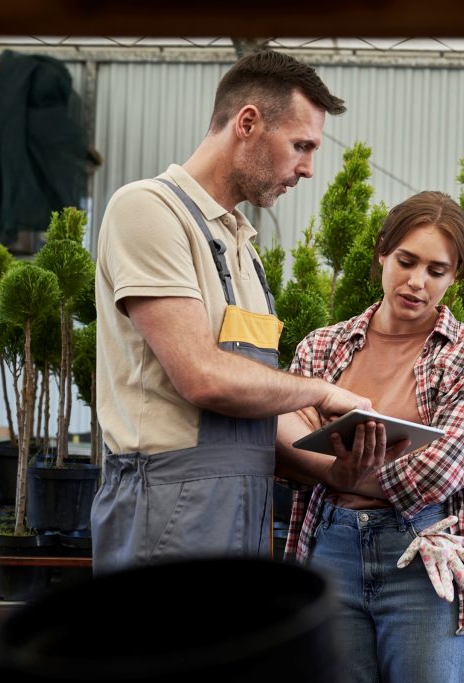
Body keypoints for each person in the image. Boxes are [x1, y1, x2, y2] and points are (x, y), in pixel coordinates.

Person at [91, 50, 376, 575]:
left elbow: (254, 406)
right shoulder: (149, 209)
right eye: (302, 146)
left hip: (246, 502)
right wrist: (319, 391)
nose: (308, 169)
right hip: (168, 505)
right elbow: (203, 377)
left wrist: (332, 471)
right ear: (248, 123)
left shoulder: (241, 246)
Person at [275, 191, 464, 683]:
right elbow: (282, 444)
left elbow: (445, 468)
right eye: (406, 261)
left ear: (455, 276)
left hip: (427, 553)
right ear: (382, 252)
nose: (417, 282)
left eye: (436, 270)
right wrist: (327, 468)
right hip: (331, 547)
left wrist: (336, 472)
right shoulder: (321, 347)